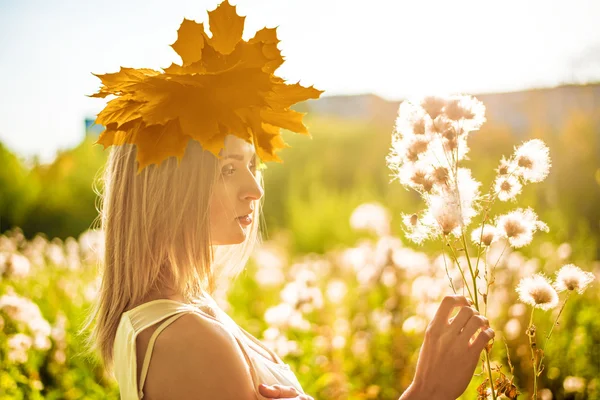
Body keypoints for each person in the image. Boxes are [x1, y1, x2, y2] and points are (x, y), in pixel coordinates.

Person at [80, 2, 495, 399]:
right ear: (167, 190)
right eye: (226, 169)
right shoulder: (188, 341)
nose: (255, 190)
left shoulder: (184, 312)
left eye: (251, 166)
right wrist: (428, 391)